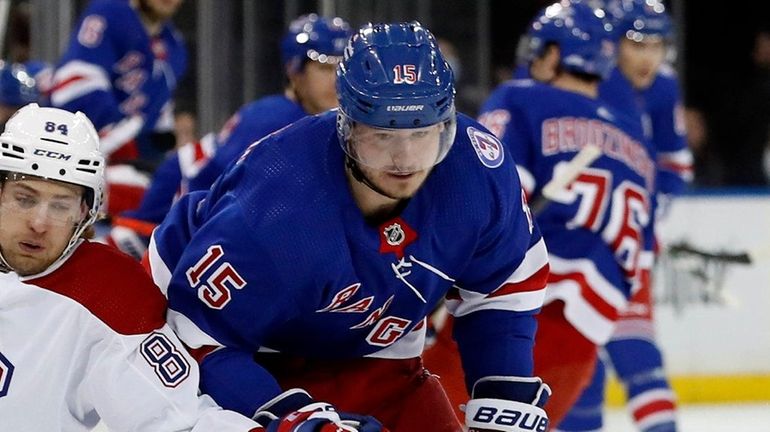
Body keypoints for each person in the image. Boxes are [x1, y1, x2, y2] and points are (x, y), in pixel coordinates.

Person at [146, 21, 551, 432]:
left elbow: (505, 285)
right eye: (383, 135)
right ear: (347, 124)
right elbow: (199, 339)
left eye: (423, 133)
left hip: (376, 346)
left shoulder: (477, 170)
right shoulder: (277, 202)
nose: (406, 159)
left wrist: (505, 389)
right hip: (245, 345)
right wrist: (285, 416)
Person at [0, 103, 263, 431]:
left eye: (60, 206)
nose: (38, 222)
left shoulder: (109, 293)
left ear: (85, 213)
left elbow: (177, 420)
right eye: (24, 199)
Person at [475, 1, 655, 425]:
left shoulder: (520, 100)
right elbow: (642, 257)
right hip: (583, 338)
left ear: (556, 54)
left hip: (512, 318)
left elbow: (484, 200)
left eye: (541, 50)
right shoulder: (636, 141)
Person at [108, 13, 351, 259]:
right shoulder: (273, 120)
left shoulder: (326, 123)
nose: (336, 81)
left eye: (342, 69)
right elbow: (214, 187)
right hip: (170, 202)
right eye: (324, 68)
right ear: (294, 70)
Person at [556, 2, 690, 431]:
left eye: (657, 43)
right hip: (570, 250)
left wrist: (646, 218)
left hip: (624, 248)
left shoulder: (663, 87)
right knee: (581, 372)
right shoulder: (585, 81)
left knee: (639, 358)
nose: (649, 55)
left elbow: (676, 165)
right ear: (613, 44)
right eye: (637, 43)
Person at [50, 0, 187, 166]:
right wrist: (117, 136)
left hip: (130, 162)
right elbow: (75, 80)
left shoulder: (174, 46)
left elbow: (160, 114)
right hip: (70, 149)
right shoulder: (109, 13)